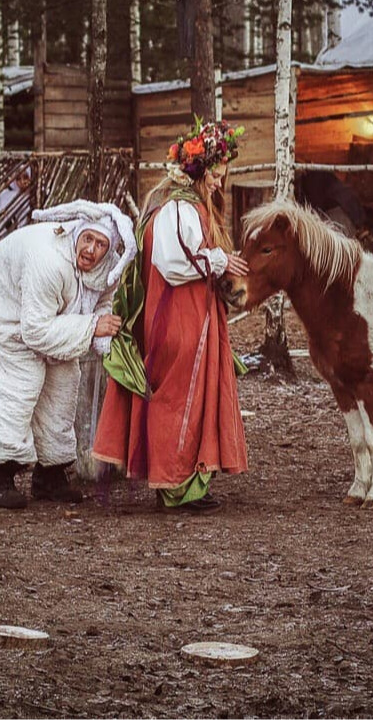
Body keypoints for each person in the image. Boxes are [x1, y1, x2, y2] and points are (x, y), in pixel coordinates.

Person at [92, 118, 249, 513]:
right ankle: (175, 485)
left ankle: (189, 482)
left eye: (221, 175)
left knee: (194, 395)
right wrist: (219, 259)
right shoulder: (178, 209)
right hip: (178, 318)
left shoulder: (185, 206)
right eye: (214, 175)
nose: (217, 182)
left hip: (195, 316)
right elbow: (172, 262)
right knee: (178, 397)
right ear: (198, 172)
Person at [0, 199, 137, 509]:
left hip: (52, 313)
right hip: (4, 302)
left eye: (100, 243)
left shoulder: (107, 270)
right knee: (22, 380)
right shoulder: (49, 262)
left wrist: (100, 328)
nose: (90, 249)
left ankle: (50, 474)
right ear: (77, 234)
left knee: (65, 379)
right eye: (87, 239)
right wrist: (91, 327)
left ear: (110, 249)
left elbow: (102, 303)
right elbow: (35, 331)